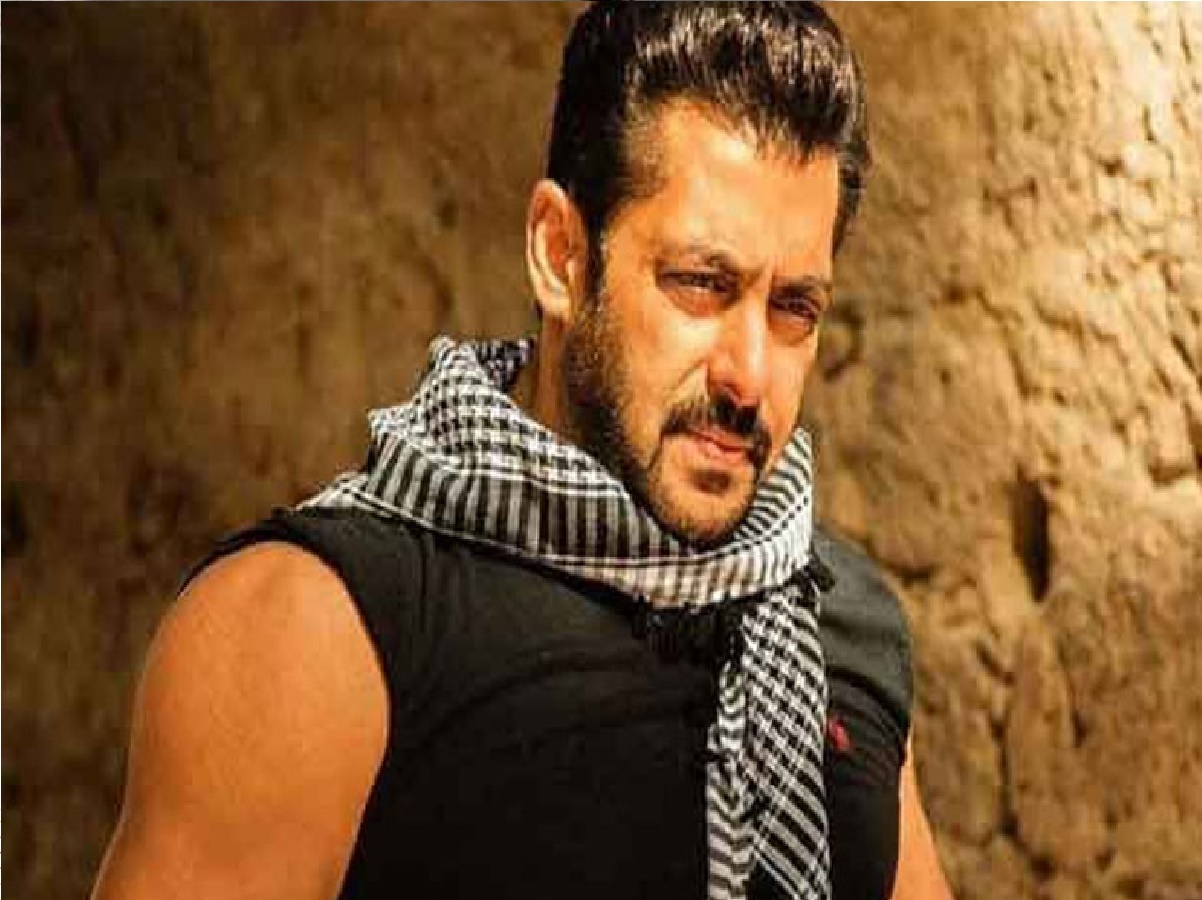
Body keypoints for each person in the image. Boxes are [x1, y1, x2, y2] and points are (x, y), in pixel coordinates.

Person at [92, 4, 953, 899]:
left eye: (793, 309)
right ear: (560, 256)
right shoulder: (312, 627)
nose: (749, 373)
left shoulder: (840, 628)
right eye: (701, 284)